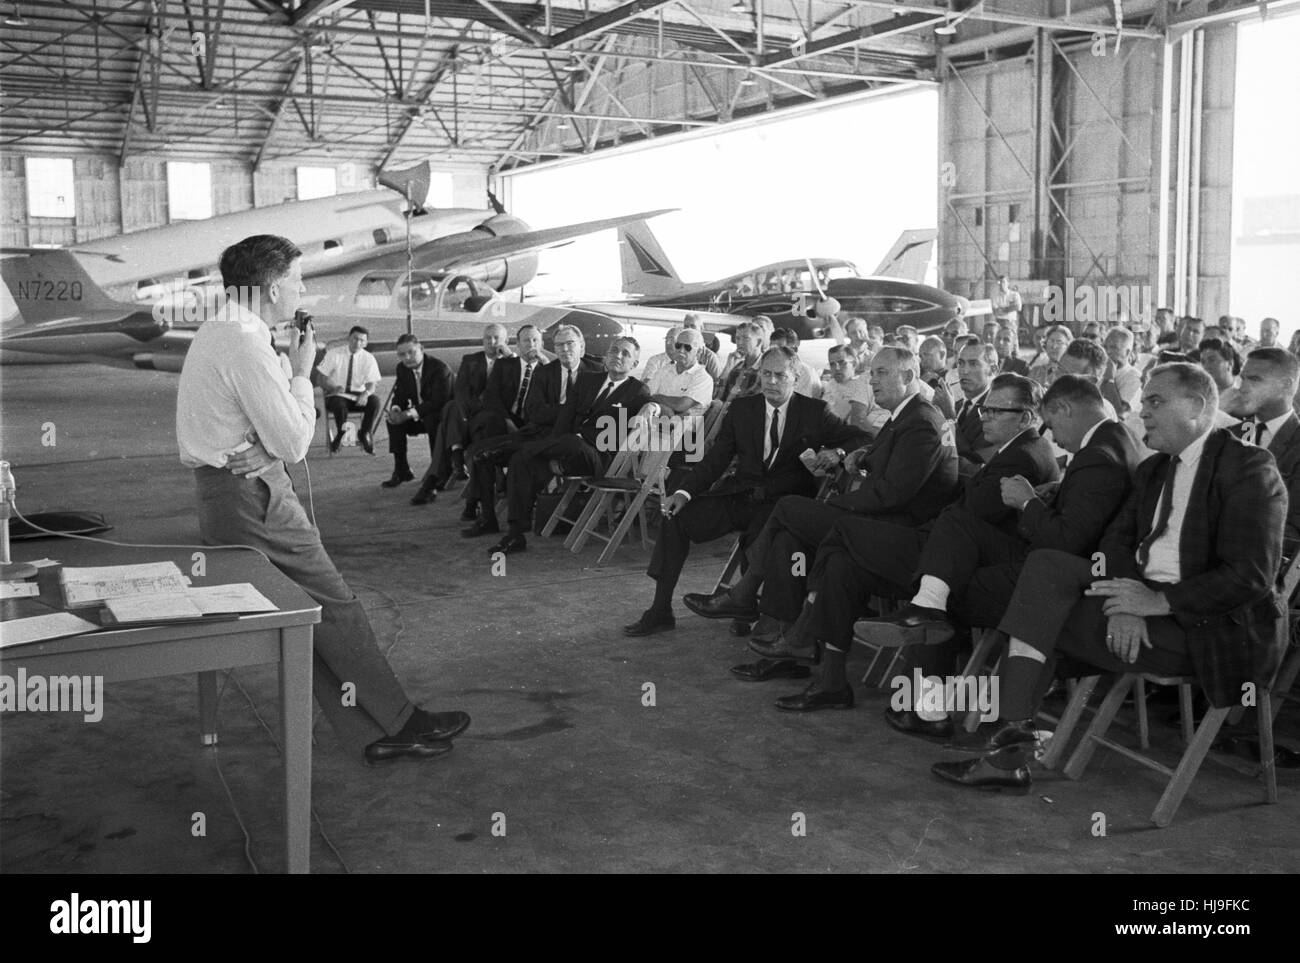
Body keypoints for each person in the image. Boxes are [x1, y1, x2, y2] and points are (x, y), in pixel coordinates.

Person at [176, 234, 469, 765]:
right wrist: (300, 370)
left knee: (310, 615)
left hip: (232, 492)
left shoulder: (220, 330)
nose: (302, 288)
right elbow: (293, 443)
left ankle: (373, 729)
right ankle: (398, 722)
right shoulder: (246, 343)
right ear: (269, 288)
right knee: (334, 604)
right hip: (253, 497)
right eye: (296, 279)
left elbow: (263, 437)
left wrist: (265, 444)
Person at [931, 364, 1286, 792]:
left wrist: (1157, 603)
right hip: (1138, 600)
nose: (1142, 411)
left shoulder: (1248, 468)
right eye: (1145, 400)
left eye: (1155, 401)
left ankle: (1009, 746)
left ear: (1195, 407)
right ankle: (1013, 733)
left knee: (1033, 607)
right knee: (1046, 568)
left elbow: (1251, 575)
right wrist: (1125, 600)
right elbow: (1115, 545)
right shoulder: (1155, 468)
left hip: (1205, 626)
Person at [854, 375, 1141, 733]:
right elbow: (1085, 514)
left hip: (1059, 579)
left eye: (1051, 424)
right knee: (950, 551)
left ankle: (929, 708)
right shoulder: (1116, 438)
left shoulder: (1096, 455)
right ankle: (926, 608)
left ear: (1065, 409)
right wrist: (1057, 491)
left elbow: (1068, 540)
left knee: (950, 591)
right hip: (1053, 561)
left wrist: (1029, 503)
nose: (1052, 436)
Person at [760, 374, 1060, 705]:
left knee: (841, 531)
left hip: (955, 565)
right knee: (841, 562)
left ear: (1026, 418)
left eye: (995, 411)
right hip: (942, 550)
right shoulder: (1015, 449)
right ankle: (831, 681)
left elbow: (972, 511)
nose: (983, 416)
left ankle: (800, 630)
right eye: (984, 409)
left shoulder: (1024, 456)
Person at [683, 347, 958, 636]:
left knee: (789, 509)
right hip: (880, 519)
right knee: (789, 539)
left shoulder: (921, 422)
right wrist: (861, 454)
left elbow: (892, 495)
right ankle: (782, 634)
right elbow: (889, 459)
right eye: (872, 372)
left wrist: (839, 503)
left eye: (882, 373)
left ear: (909, 375)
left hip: (897, 530)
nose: (872, 381)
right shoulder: (905, 416)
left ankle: (746, 597)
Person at [624, 346, 869, 637]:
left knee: (761, 537)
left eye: (780, 375)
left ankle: (743, 607)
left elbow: (862, 437)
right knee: (675, 517)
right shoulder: (743, 409)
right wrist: (684, 493)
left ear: (796, 376)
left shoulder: (814, 412)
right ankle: (660, 609)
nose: (772, 382)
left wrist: (838, 451)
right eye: (766, 374)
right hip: (739, 495)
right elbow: (715, 461)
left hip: (782, 504)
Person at [489, 338, 652, 556]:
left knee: (570, 441)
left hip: (599, 456)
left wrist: (654, 407)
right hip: (566, 449)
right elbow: (565, 418)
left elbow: (651, 414)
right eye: (614, 351)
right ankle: (515, 533)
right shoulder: (587, 380)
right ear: (606, 355)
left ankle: (518, 448)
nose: (618, 356)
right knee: (522, 461)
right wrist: (553, 448)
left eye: (625, 354)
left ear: (634, 364)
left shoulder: (638, 391)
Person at [463, 324, 602, 538]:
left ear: (581, 346)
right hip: (537, 433)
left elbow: (595, 413)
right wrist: (572, 410)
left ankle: (518, 528)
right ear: (553, 349)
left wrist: (558, 412)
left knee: (521, 460)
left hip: (570, 442)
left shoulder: (596, 372)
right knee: (479, 453)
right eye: (559, 345)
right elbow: (535, 412)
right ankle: (487, 519)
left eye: (570, 344)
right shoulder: (545, 372)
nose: (565, 349)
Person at [411, 323, 513, 505]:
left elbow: (509, 393)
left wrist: (510, 357)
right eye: (487, 338)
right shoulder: (471, 360)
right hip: (467, 414)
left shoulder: (511, 364)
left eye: (496, 338)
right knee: (452, 406)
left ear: (506, 341)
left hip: (491, 417)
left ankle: (443, 471)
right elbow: (461, 392)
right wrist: (472, 410)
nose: (491, 341)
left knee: (444, 427)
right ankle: (462, 477)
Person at [1232, 347, 1300, 548]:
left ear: (1286, 386)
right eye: (1242, 378)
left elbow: (1294, 532)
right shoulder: (1233, 433)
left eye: (1254, 380)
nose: (1242, 388)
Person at [382, 334, 453, 488]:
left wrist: (407, 414)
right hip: (420, 414)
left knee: (432, 420)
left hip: (443, 416)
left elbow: (437, 402)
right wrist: (396, 410)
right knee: (393, 422)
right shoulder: (402, 368)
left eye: (411, 352)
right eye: (401, 354)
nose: (407, 358)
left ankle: (441, 472)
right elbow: (400, 393)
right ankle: (402, 470)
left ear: (421, 349)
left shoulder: (439, 369)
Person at [317, 325, 381, 454]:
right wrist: (333, 387)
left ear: (366, 343)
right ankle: (341, 433)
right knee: (339, 404)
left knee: (375, 401)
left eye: (362, 340)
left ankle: (364, 433)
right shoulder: (334, 354)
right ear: (348, 338)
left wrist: (366, 394)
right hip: (337, 394)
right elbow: (321, 378)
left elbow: (372, 384)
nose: (357, 343)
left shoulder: (369, 358)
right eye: (355, 338)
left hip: (358, 395)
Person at [821, 343, 886, 433]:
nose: (837, 368)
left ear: (854, 363)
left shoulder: (865, 385)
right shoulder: (829, 384)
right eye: (832, 364)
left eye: (842, 363)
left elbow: (858, 419)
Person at [716, 321, 766, 403]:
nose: (739, 343)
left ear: (759, 342)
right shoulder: (737, 367)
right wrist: (726, 370)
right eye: (737, 338)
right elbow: (718, 397)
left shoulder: (766, 369)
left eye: (746, 338)